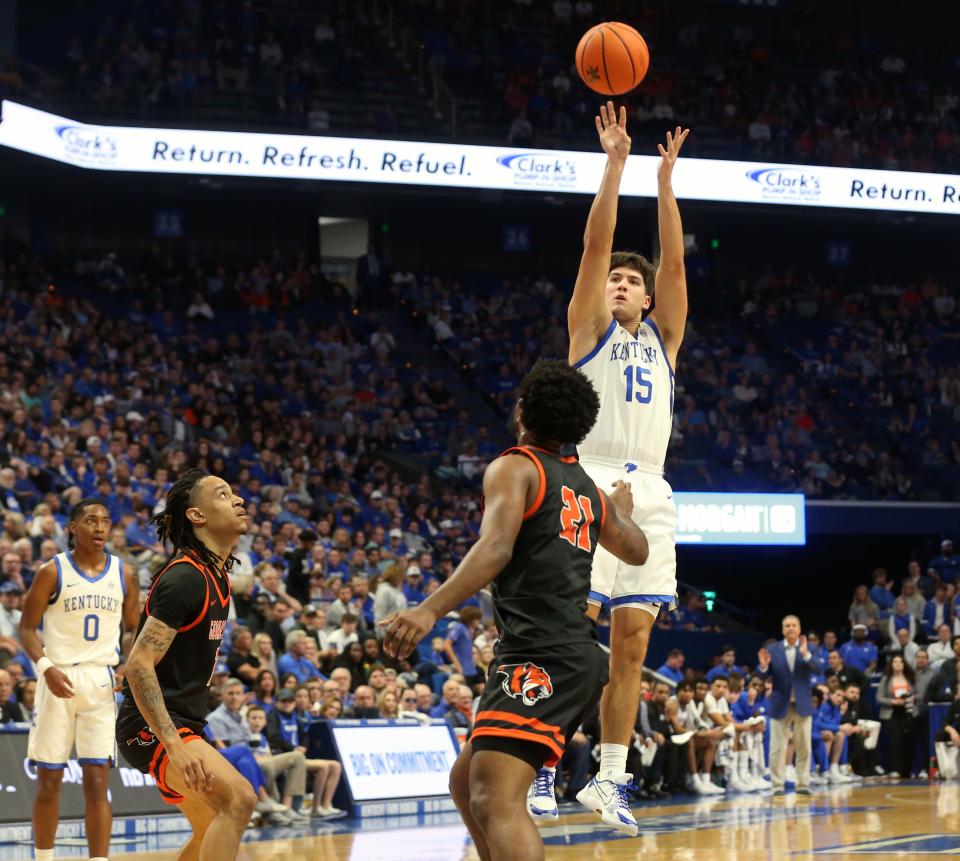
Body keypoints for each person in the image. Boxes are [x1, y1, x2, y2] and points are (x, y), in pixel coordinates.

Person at [382, 360, 650, 860]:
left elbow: (495, 549)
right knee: (467, 783)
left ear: (523, 410)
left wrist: (429, 610)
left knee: (494, 797)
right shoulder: (587, 487)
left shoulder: (514, 466)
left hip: (544, 651)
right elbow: (636, 549)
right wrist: (618, 513)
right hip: (561, 650)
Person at [564, 102, 690, 835]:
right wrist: (615, 167)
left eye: (627, 281)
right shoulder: (588, 331)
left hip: (653, 489)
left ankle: (609, 778)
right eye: (612, 279)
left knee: (634, 642)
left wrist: (665, 181)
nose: (616, 282)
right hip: (592, 475)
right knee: (575, 633)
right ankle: (546, 757)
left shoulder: (666, 341)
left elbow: (673, 262)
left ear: (644, 297)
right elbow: (592, 247)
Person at [116, 469, 259, 861]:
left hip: (184, 721)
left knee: (207, 831)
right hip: (153, 728)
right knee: (240, 800)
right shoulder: (185, 578)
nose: (238, 500)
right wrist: (173, 744)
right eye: (223, 495)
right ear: (197, 516)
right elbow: (140, 666)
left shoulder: (217, 576)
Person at [18, 499, 140, 861]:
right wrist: (45, 668)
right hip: (58, 677)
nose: (100, 527)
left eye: (105, 521)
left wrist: (128, 666)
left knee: (98, 784)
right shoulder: (51, 571)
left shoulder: (125, 574)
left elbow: (133, 630)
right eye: (91, 520)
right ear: (73, 527)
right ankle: (43, 858)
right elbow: (26, 628)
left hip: (101, 682)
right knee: (49, 782)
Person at [756, 615, 822, 796]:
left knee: (804, 746)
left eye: (794, 625)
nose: (791, 628)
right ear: (782, 629)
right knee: (777, 746)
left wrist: (806, 655)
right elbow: (762, 675)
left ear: (799, 629)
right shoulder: (772, 649)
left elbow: (819, 669)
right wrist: (762, 667)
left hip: (802, 703)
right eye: (787, 626)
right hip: (780, 703)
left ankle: (803, 784)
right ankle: (777, 785)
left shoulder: (810, 648)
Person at [876, 655, 915, 778]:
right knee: (895, 740)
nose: (898, 664)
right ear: (891, 664)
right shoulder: (886, 679)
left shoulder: (910, 679)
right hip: (892, 713)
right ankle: (894, 769)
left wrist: (913, 698)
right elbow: (879, 698)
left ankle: (907, 770)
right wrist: (893, 701)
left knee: (907, 740)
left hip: (908, 712)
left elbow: (916, 694)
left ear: (904, 664)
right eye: (895, 661)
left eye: (900, 661)